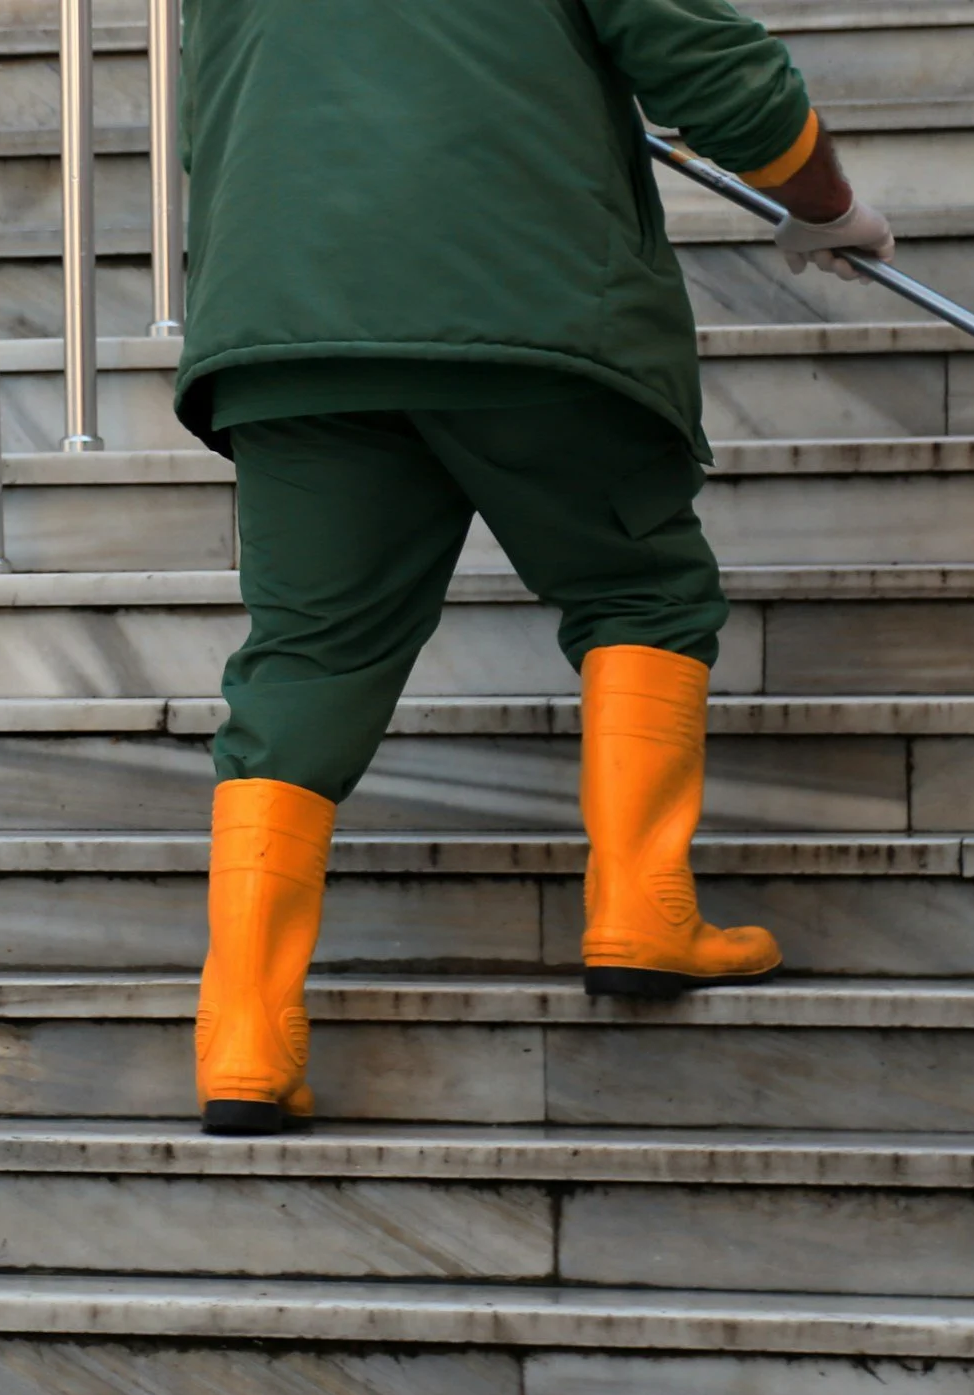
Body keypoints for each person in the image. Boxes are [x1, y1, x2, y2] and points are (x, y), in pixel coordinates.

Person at [177, 0, 895, 1137]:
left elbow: (224, 114)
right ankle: (642, 910)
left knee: (306, 663)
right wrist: (829, 208)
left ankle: (245, 1040)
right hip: (525, 299)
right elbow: (713, 66)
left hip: (289, 318)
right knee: (640, 587)